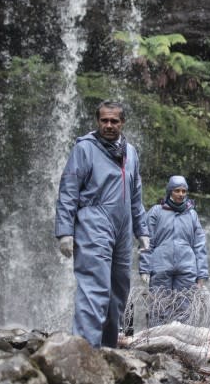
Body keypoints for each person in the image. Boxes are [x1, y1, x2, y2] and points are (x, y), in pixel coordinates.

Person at [55, 100, 149, 348]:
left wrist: (142, 230)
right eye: (104, 120)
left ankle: (107, 351)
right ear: (97, 122)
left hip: (123, 228)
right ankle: (83, 351)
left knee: (118, 291)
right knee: (94, 288)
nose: (109, 125)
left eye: (114, 121)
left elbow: (136, 195)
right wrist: (65, 231)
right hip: (93, 222)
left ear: (122, 123)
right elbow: (69, 190)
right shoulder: (85, 149)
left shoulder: (131, 152)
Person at [139, 175, 209, 325]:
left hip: (187, 267)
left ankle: (180, 345)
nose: (181, 194)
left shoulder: (191, 214)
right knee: (159, 307)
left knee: (185, 308)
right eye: (177, 190)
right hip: (161, 265)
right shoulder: (156, 212)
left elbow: (199, 245)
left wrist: (202, 273)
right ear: (170, 191)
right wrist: (144, 268)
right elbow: (146, 241)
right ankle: (155, 342)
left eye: (184, 191)